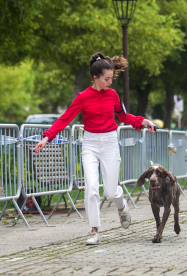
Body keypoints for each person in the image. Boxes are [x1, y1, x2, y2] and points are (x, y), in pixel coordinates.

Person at [34, 52, 156, 245]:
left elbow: (124, 117)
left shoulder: (113, 95)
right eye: (107, 79)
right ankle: (94, 231)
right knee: (91, 189)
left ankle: (122, 206)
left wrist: (143, 122)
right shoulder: (82, 97)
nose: (110, 82)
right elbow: (65, 118)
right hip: (90, 144)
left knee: (110, 192)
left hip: (109, 142)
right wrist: (47, 137)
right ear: (95, 78)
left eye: (111, 79)